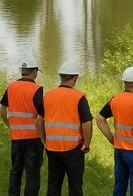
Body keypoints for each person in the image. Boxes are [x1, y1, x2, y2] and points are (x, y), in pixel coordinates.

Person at [96, 67, 133, 196]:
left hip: (119, 150)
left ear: (124, 83)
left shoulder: (115, 100)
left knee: (120, 183)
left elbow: (100, 119)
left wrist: (111, 138)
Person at [41, 60, 93, 196]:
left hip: (52, 148)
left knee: (53, 183)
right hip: (73, 149)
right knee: (75, 185)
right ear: (75, 77)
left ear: (61, 76)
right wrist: (86, 144)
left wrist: (44, 140)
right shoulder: (79, 97)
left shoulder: (48, 95)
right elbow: (87, 122)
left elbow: (38, 120)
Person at [0, 56, 45, 196]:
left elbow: (2, 108)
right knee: (32, 172)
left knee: (15, 169)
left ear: (22, 70)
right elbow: (41, 116)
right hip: (33, 138)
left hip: (16, 137)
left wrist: (9, 124)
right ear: (35, 71)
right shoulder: (37, 90)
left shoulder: (11, 87)